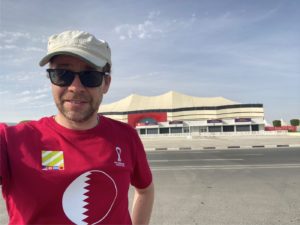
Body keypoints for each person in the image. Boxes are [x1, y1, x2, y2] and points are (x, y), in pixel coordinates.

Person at [0, 30, 154, 225]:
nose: (75, 86)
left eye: (89, 76)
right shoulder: (12, 140)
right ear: (51, 79)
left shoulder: (126, 136)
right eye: (62, 74)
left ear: (106, 83)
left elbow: (145, 190)